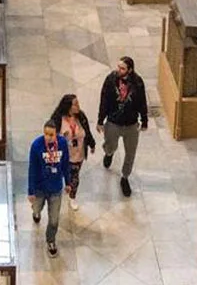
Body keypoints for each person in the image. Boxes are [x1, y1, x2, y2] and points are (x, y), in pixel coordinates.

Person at [98, 56, 149, 197]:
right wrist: (100, 120)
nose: (118, 70)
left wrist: (144, 120)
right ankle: (109, 153)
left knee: (130, 153)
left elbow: (142, 102)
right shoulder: (110, 79)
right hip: (114, 121)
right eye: (118, 67)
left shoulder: (137, 82)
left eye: (122, 68)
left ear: (130, 70)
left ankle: (125, 177)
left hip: (131, 124)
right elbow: (104, 99)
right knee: (110, 145)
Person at [27, 120, 68, 257]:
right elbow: (32, 168)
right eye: (46, 134)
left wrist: (68, 182)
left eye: (51, 134)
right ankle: (36, 213)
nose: (48, 137)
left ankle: (51, 240)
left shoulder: (62, 144)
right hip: (39, 187)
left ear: (56, 134)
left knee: (54, 219)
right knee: (37, 207)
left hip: (55, 188)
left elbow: (65, 164)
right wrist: (31, 191)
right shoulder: (36, 146)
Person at [50, 94, 96, 210]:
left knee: (74, 177)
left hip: (78, 154)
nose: (78, 106)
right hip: (63, 156)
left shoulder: (81, 117)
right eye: (75, 104)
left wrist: (91, 143)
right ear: (68, 106)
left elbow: (87, 131)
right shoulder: (57, 119)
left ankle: (72, 197)